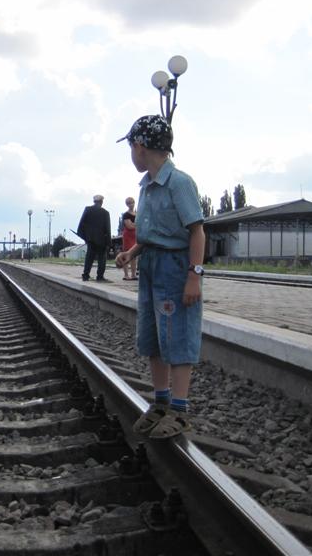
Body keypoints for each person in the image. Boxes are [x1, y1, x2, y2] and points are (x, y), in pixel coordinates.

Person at [114, 115, 205, 438]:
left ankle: (179, 410)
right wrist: (132, 253)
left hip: (175, 267)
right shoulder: (146, 187)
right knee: (153, 337)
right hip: (151, 265)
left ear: (139, 147)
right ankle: (162, 402)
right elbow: (150, 235)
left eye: (130, 147)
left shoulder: (179, 183)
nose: (131, 154)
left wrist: (194, 275)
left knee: (177, 334)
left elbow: (196, 232)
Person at [77, 195, 112, 282]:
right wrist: (109, 243)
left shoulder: (87, 209)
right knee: (101, 259)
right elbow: (108, 229)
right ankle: (99, 276)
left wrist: (85, 237)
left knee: (89, 257)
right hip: (101, 240)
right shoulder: (105, 213)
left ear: (94, 201)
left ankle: (85, 275)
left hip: (90, 239)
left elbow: (81, 224)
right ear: (101, 202)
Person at [121, 197, 137, 280]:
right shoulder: (126, 214)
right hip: (128, 236)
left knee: (134, 255)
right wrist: (136, 224)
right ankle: (126, 274)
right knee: (126, 254)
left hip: (136, 236)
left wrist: (134, 224)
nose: (131, 204)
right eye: (129, 203)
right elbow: (129, 226)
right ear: (127, 204)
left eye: (132, 202)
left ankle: (133, 274)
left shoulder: (137, 213)